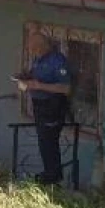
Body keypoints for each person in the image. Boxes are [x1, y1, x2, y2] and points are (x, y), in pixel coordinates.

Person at [14, 32, 72, 185]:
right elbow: (36, 74)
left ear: (42, 46)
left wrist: (38, 85)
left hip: (53, 106)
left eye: (34, 49)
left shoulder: (58, 61)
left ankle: (53, 176)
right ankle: (50, 173)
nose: (32, 52)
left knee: (49, 141)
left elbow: (65, 88)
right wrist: (25, 77)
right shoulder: (38, 58)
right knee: (43, 141)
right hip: (39, 106)